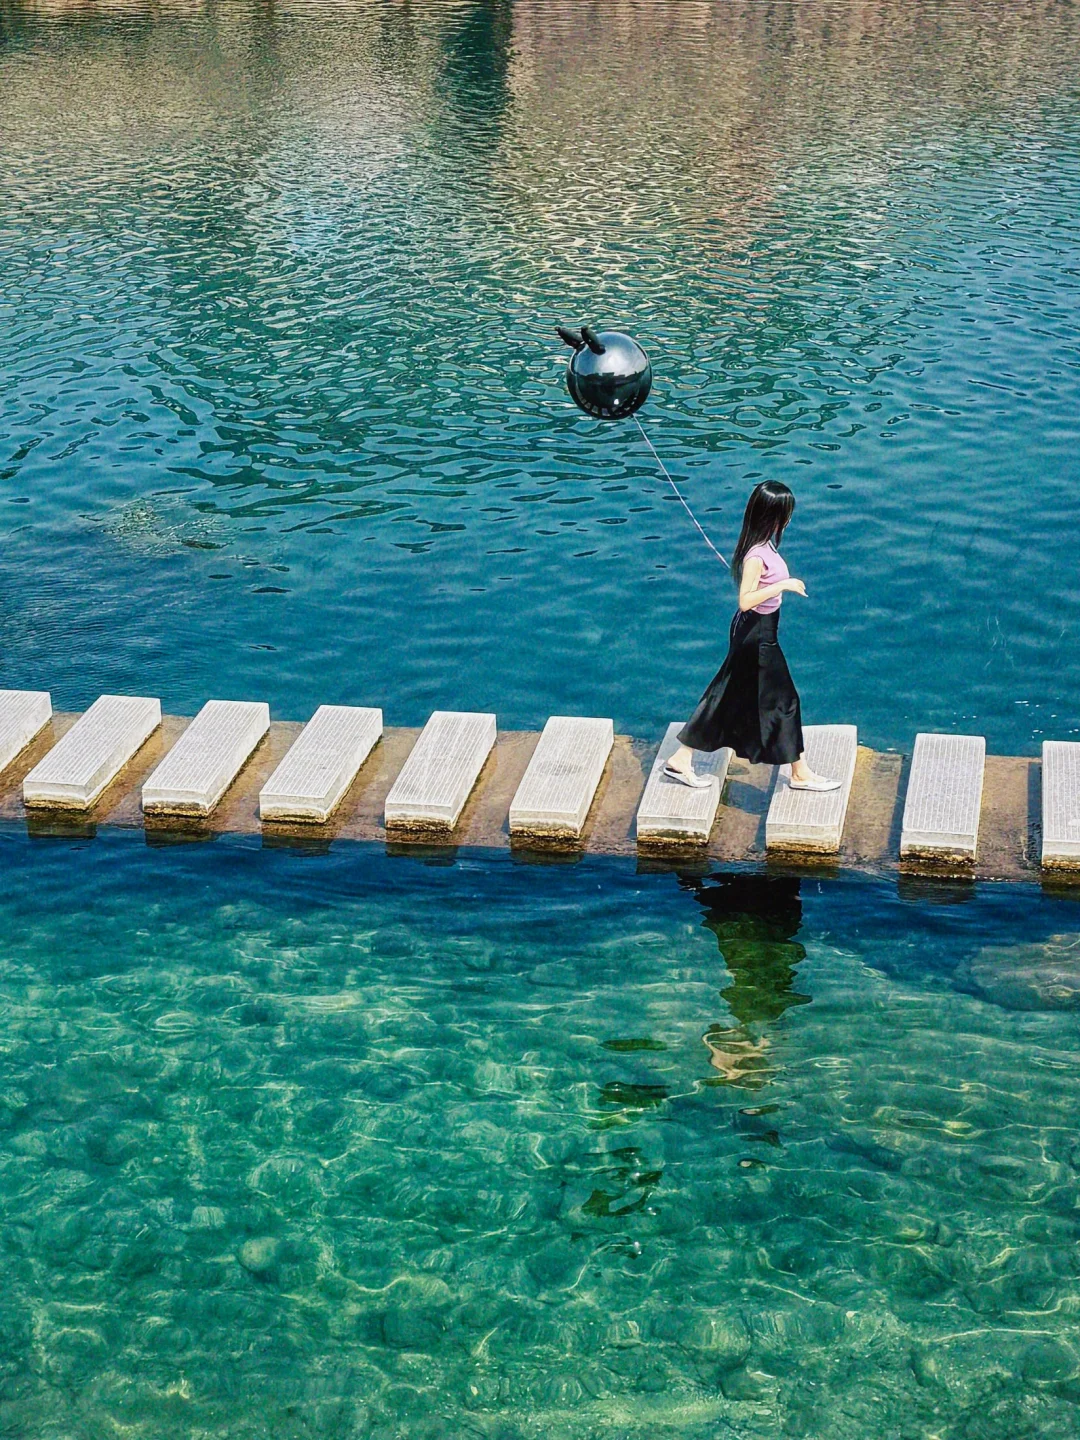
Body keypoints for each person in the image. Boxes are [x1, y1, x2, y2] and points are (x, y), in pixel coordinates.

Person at [664, 480, 840, 791]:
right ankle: (799, 773)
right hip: (757, 636)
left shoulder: (764, 545)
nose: (788, 518)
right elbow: (745, 599)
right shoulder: (756, 555)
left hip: (759, 630)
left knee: (728, 696)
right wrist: (784, 585)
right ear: (772, 516)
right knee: (783, 700)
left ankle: (682, 757)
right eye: (785, 513)